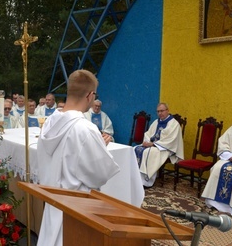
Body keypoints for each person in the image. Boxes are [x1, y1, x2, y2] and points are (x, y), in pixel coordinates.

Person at [36, 69, 120, 246]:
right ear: (90, 95)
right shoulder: (85, 129)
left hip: (52, 204)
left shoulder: (49, 122)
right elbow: (100, 174)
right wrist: (99, 146)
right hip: (75, 212)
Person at [134, 103, 184, 187]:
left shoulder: (174, 124)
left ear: (168, 111)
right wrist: (146, 142)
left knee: (149, 152)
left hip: (166, 148)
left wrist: (153, 144)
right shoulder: (156, 122)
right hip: (154, 145)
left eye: (162, 111)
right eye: (158, 111)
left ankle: (146, 181)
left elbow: (170, 140)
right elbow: (148, 134)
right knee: (135, 149)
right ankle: (135, 177)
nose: (160, 113)